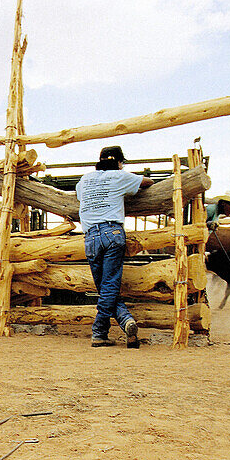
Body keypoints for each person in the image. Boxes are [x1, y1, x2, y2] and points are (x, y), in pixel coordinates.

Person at [75, 145, 152, 348]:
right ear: (119, 162)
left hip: (91, 236)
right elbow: (148, 182)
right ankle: (102, 330)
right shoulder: (119, 176)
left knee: (105, 287)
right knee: (109, 286)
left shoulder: (85, 180)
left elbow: (79, 197)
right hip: (112, 233)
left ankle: (122, 323)